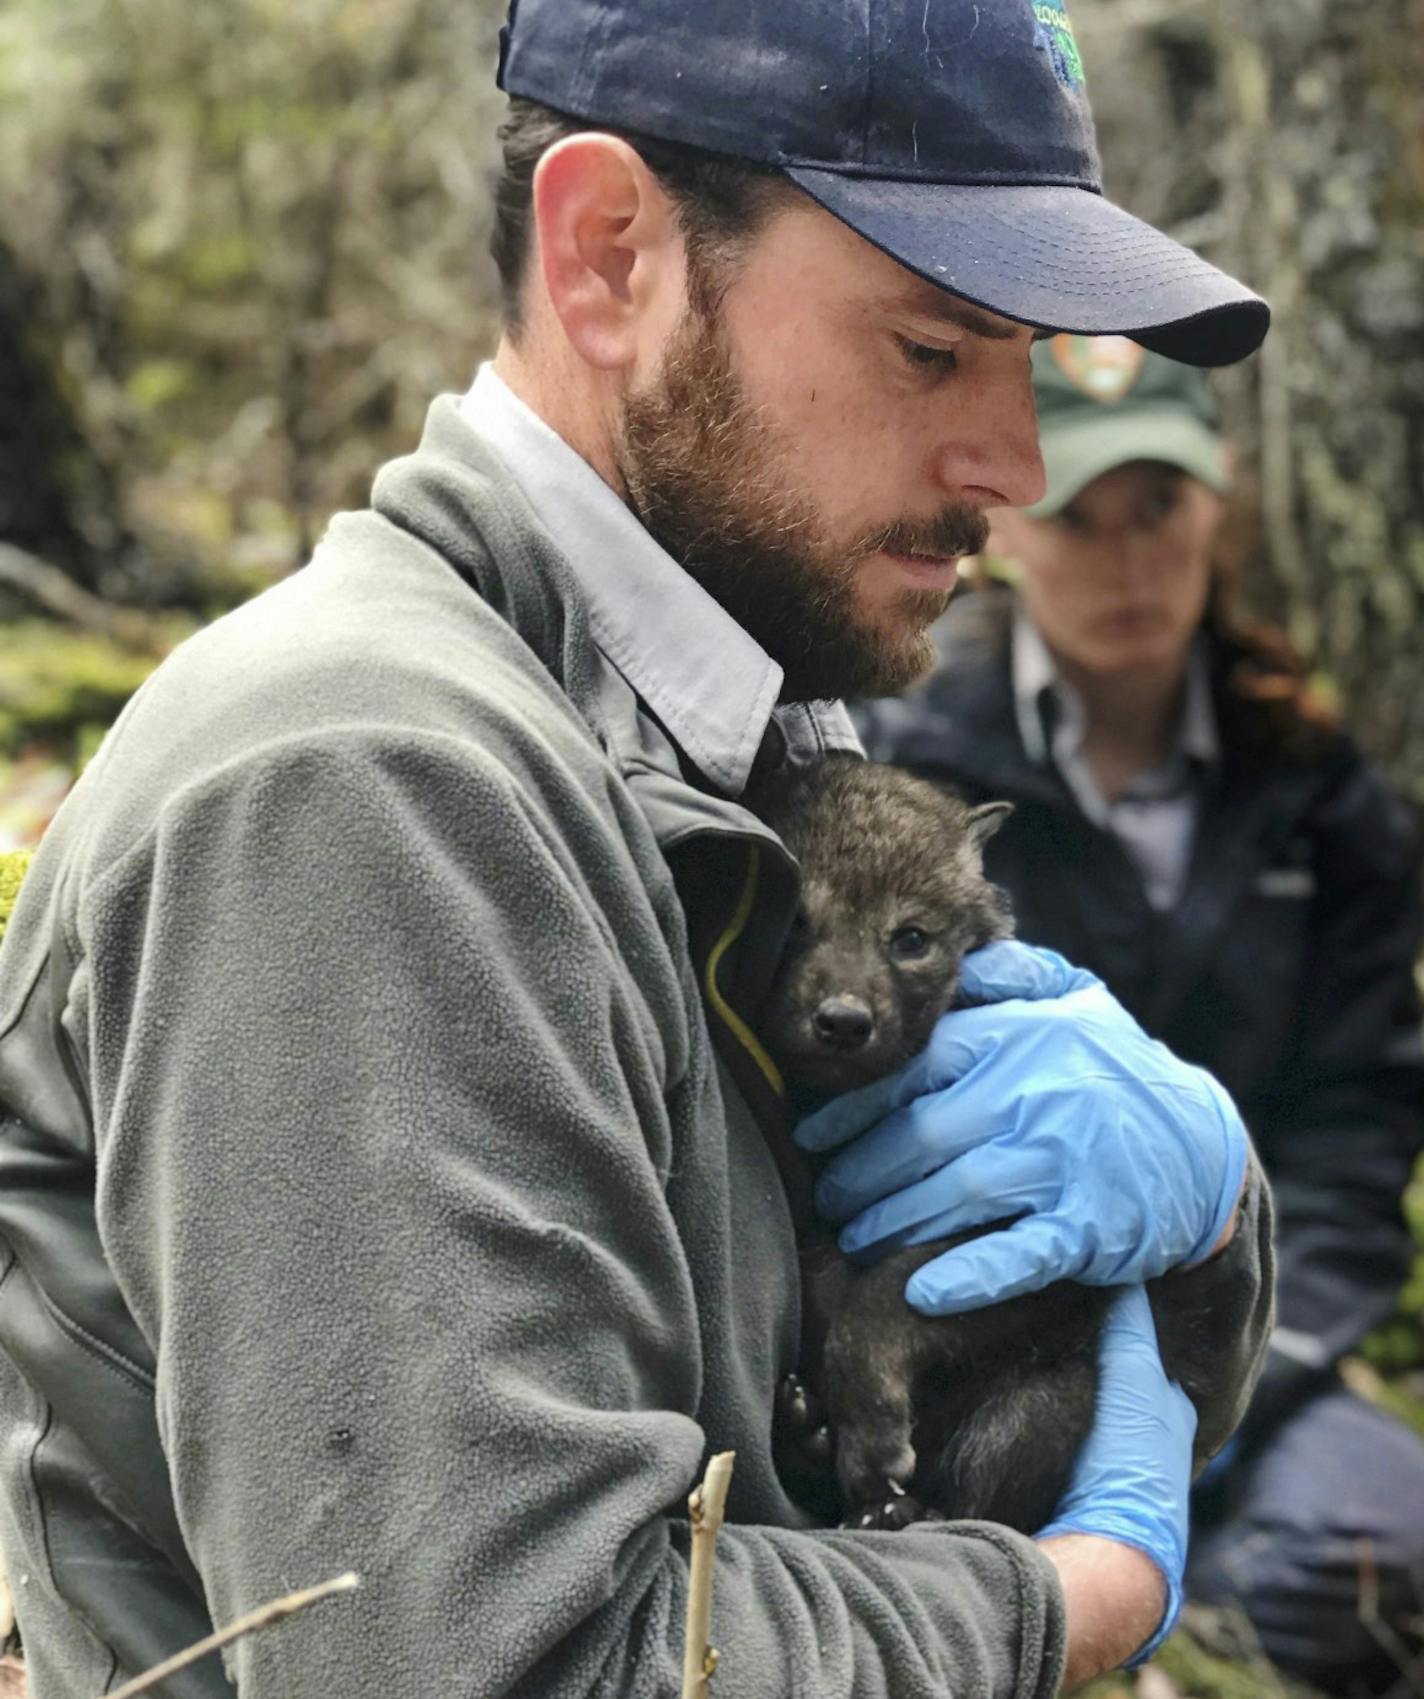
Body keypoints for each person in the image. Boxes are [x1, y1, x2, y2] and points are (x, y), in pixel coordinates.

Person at [0, 7, 1274, 1696]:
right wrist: (1068, 1605)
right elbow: (513, 1663)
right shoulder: (364, 786)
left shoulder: (739, 728)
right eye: (930, 347)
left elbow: (846, 1442)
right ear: (611, 258)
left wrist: (1201, 1222)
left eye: (1024, 357)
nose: (1014, 466)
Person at [856, 333, 1424, 1695]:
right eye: (1077, 515)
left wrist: (1240, 1365)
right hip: (981, 1340)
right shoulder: (909, 766)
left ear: (1217, 501)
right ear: (1005, 531)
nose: (1125, 562)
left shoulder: (1316, 793)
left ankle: (1182, 1633)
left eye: (1157, 508)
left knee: (1386, 1547)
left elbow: (1357, 1124)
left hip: (1254, 1345)